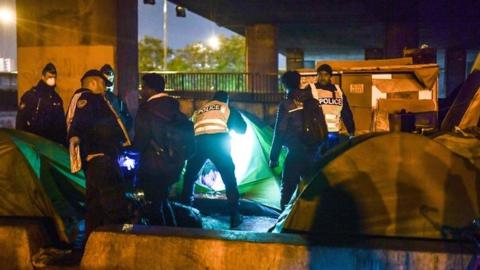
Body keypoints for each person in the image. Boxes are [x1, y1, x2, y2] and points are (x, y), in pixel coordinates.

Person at [66, 69, 132, 240]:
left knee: (95, 207)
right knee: (115, 205)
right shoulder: (90, 98)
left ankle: (93, 243)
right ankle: (119, 241)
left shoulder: (88, 100)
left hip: (96, 160)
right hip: (102, 157)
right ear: (94, 83)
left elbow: (78, 125)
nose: (106, 88)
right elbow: (83, 122)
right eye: (103, 84)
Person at [134, 73, 194, 226]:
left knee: (154, 204)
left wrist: (134, 152)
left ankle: (160, 237)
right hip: (174, 163)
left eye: (143, 87)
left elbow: (141, 139)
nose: (141, 91)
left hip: (153, 165)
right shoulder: (174, 108)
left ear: (151, 89)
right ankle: (173, 231)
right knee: (162, 199)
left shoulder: (146, 110)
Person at [181, 91, 246, 228]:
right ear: (226, 100)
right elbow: (242, 129)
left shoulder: (200, 110)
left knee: (190, 176)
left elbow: (190, 128)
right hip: (219, 143)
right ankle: (235, 214)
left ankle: (186, 211)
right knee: (229, 178)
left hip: (198, 143)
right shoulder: (226, 108)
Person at [269, 71, 328, 210]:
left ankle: (284, 224)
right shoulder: (313, 101)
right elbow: (322, 126)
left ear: (284, 85)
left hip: (296, 152)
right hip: (314, 152)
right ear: (299, 82)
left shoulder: (287, 104)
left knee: (288, 189)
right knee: (312, 189)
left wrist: (273, 157)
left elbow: (280, 132)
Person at [304, 64, 355, 152]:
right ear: (317, 75)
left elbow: (346, 112)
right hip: (317, 134)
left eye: (326, 75)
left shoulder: (338, 90)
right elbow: (304, 112)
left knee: (333, 160)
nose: (322, 77)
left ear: (330, 76)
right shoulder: (311, 89)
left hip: (334, 134)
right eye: (320, 74)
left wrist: (351, 131)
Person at [16, 63, 67, 146]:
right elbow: (21, 120)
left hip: (51, 144)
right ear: (43, 77)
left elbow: (61, 125)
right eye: (49, 77)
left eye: (54, 77)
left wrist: (62, 144)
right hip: (33, 142)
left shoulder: (56, 99)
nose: (52, 80)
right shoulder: (31, 96)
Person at [100, 64, 133, 132]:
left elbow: (128, 122)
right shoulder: (93, 99)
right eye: (106, 82)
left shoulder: (118, 101)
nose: (109, 86)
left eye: (111, 81)